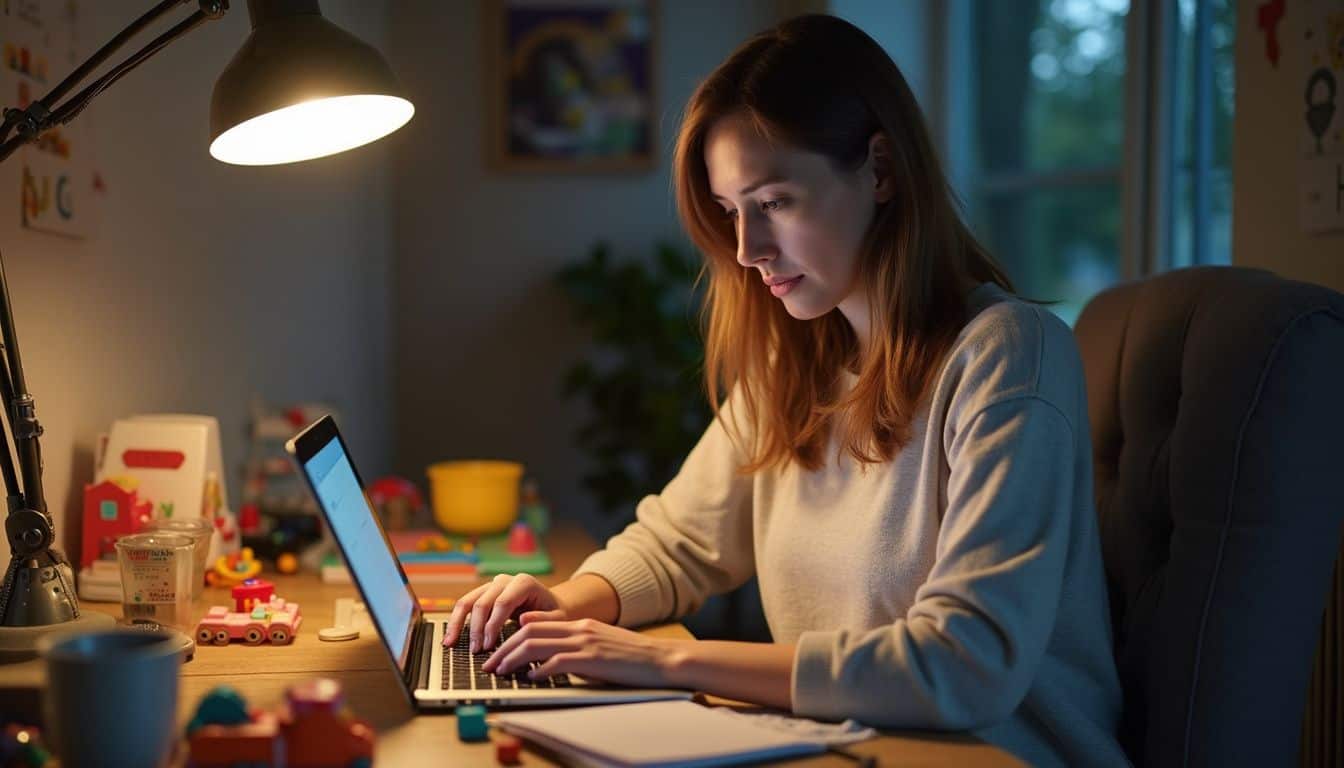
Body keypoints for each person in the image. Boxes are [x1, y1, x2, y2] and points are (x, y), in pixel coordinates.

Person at [445, 14, 1128, 767]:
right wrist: (566, 604)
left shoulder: (1007, 355)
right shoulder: (794, 363)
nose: (747, 250)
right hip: (848, 745)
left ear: (881, 170)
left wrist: (667, 661)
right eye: (730, 211)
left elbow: (963, 665)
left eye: (773, 203)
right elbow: (682, 541)